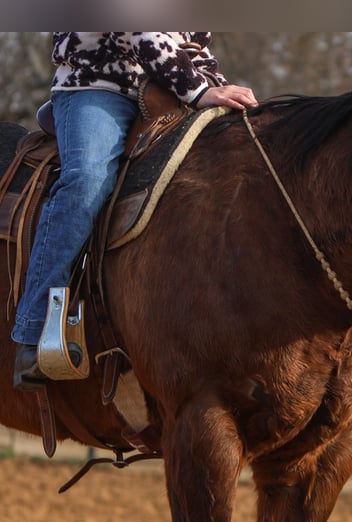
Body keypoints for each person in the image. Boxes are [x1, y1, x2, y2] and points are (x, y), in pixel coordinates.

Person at [12, 32, 258, 391]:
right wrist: (198, 90)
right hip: (96, 86)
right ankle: (34, 331)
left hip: (173, 88)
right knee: (87, 180)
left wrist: (216, 88)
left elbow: (192, 42)